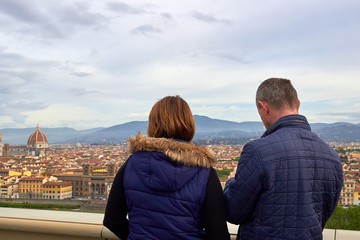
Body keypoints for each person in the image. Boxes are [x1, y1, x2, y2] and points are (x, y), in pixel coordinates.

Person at [224, 78, 343, 240]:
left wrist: (231, 183)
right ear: (298, 104)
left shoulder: (258, 151)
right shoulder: (332, 156)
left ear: (264, 107)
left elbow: (233, 212)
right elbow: (325, 212)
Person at [103, 95, 230, 240]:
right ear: (189, 124)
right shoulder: (204, 172)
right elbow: (218, 234)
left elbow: (112, 220)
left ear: (153, 124)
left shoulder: (132, 164)